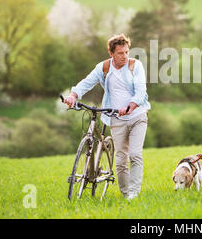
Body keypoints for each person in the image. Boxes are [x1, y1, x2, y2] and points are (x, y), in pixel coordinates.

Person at [63, 34, 150, 201]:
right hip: (116, 118)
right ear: (111, 54)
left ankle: (134, 194)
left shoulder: (135, 66)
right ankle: (126, 195)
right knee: (120, 159)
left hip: (137, 116)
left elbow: (141, 91)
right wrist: (73, 95)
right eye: (120, 53)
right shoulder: (103, 68)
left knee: (135, 154)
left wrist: (131, 106)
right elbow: (86, 82)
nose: (125, 56)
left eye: (127, 52)